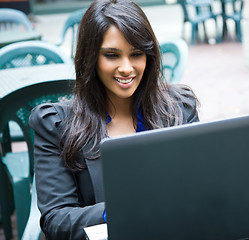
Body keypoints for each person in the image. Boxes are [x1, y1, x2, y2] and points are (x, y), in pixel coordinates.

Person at [29, 0, 199, 239]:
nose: (127, 68)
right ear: (90, 59)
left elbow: (201, 189)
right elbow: (57, 220)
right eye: (112, 55)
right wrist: (122, 209)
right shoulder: (57, 125)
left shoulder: (180, 109)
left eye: (136, 54)